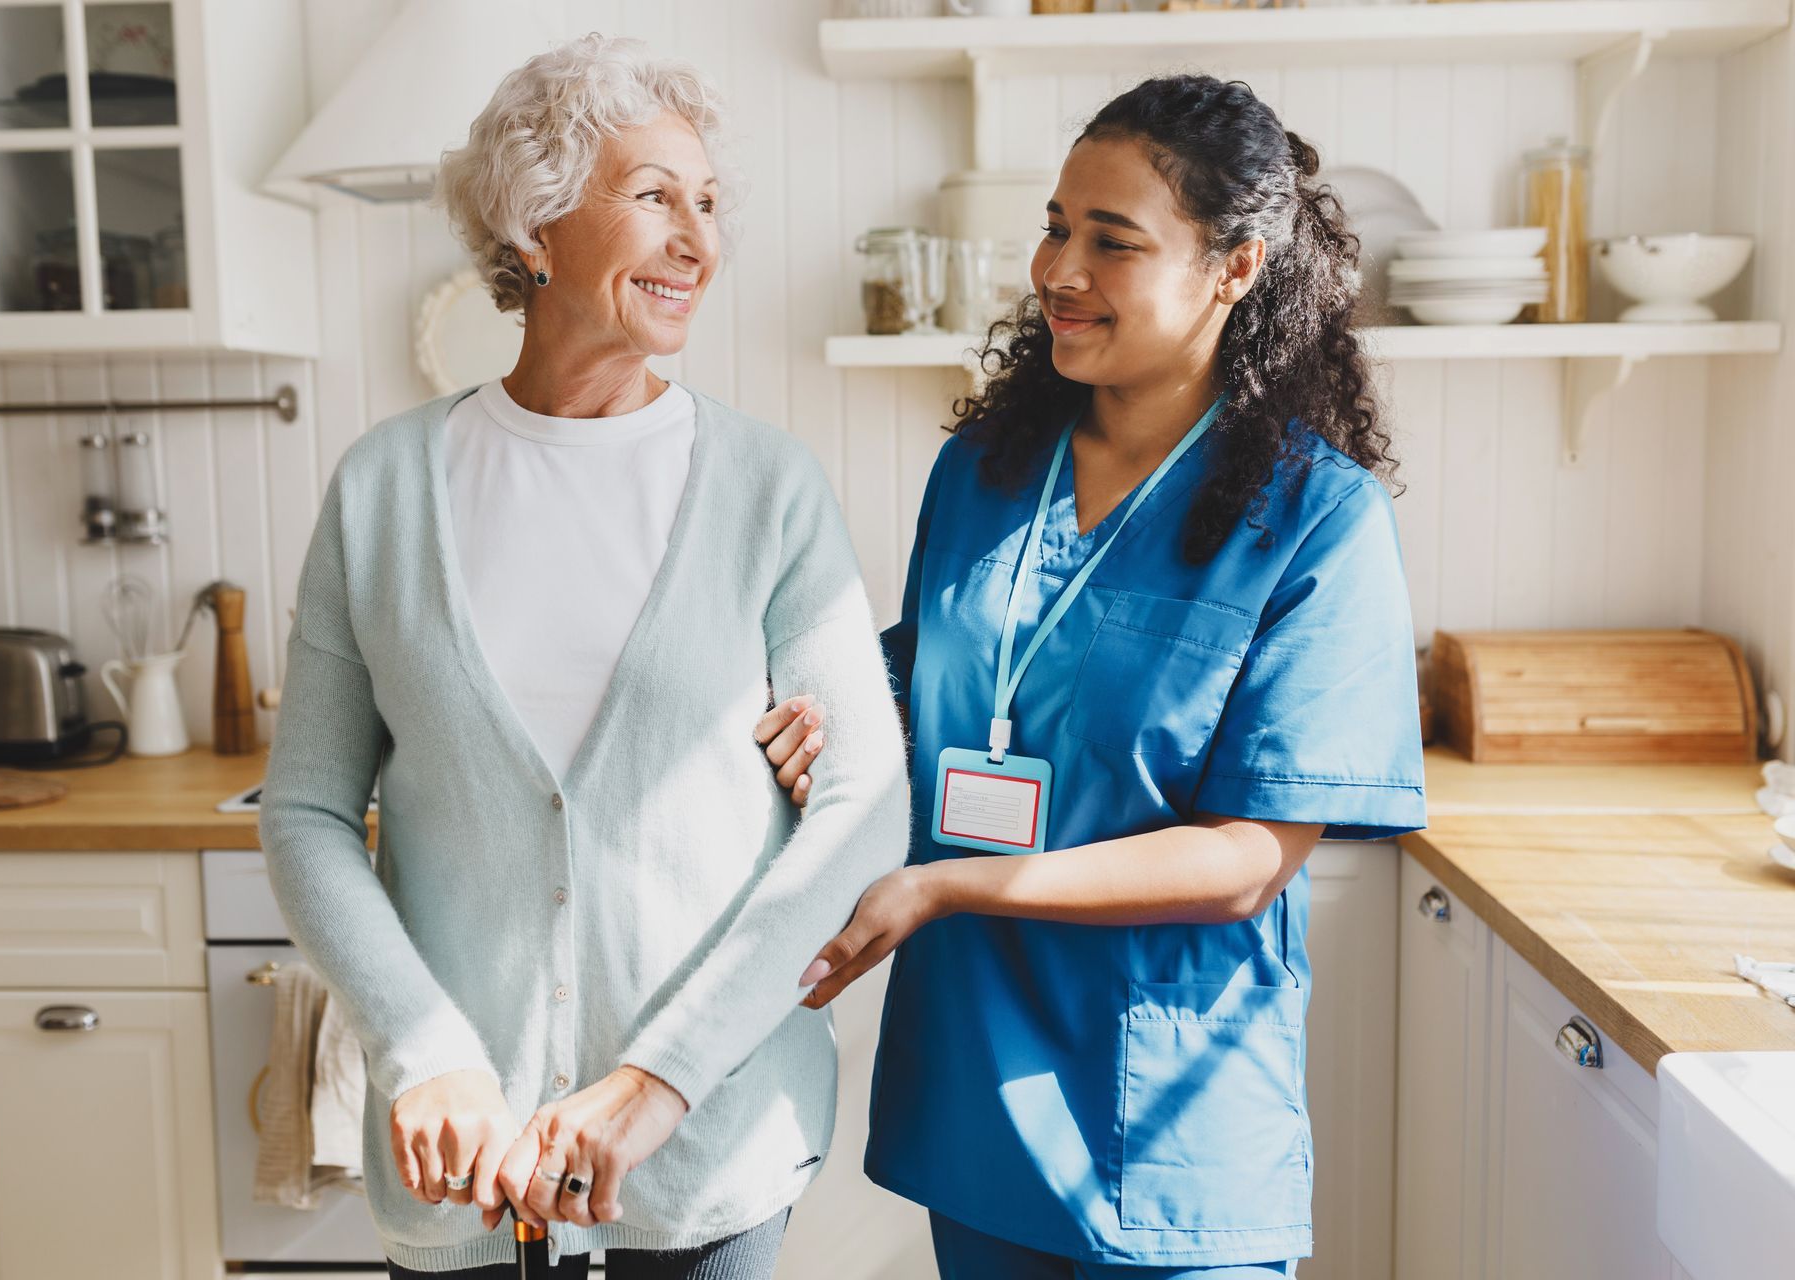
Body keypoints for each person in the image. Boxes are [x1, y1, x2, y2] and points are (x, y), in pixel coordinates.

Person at [259, 34, 909, 1279]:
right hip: (464, 1150)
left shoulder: (767, 486)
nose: (699, 241)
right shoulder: (386, 488)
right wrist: (424, 1048)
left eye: (708, 204)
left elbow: (863, 806)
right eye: (655, 195)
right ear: (536, 222)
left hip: (704, 1150)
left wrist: (659, 1079)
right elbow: (304, 809)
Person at [757, 73, 1426, 1279]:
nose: (1058, 268)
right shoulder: (985, 468)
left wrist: (953, 888)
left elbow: (1245, 858)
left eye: (1111, 242)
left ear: (1234, 269)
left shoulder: (1318, 518)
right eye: (1057, 226)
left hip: (1168, 1133)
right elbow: (944, 669)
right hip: (976, 1099)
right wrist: (830, 705)